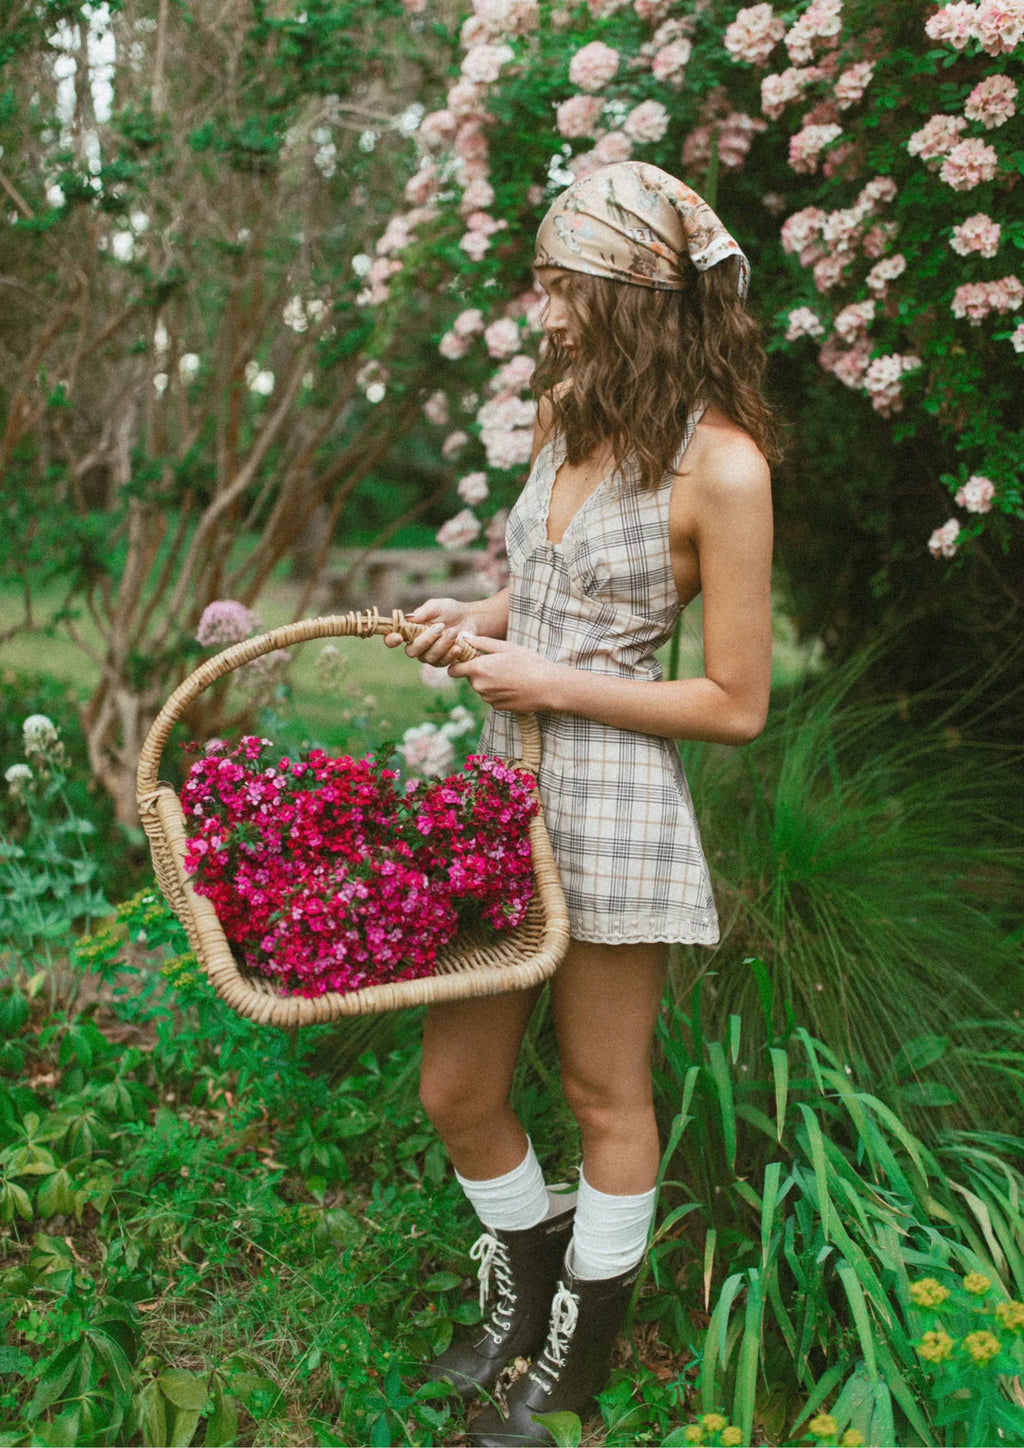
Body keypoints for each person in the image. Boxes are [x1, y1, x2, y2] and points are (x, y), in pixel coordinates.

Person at [384, 160, 777, 1448]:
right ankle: (524, 1292)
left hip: (612, 803)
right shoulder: (568, 416)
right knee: (460, 1087)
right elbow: (545, 596)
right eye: (542, 285)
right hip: (505, 790)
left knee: (605, 1094)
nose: (542, 312)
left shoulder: (722, 469)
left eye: (565, 289)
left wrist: (550, 676)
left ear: (636, 297)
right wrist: (475, 621)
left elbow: (733, 701)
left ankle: (574, 1358)